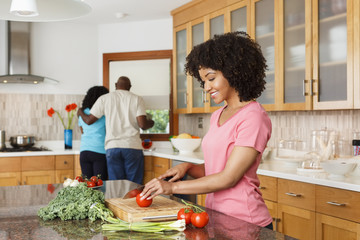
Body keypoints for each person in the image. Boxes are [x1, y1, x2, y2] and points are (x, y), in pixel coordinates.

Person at [140, 31, 273, 229]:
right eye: (203, 81)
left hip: (246, 222)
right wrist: (187, 167)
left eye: (211, 78)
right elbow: (215, 169)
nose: (206, 87)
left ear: (233, 71)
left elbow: (229, 177)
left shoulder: (253, 117)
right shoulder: (217, 115)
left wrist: (172, 187)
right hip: (216, 217)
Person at [77, 76, 154, 184]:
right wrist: (151, 122)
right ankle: (132, 201)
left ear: (115, 85)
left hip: (112, 147)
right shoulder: (137, 99)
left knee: (115, 185)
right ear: (130, 87)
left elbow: (89, 120)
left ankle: (117, 201)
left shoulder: (104, 98)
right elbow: (143, 124)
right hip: (132, 146)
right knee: (134, 185)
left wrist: (80, 111)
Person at [78, 86, 109, 180]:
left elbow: (82, 130)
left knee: (87, 185)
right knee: (100, 185)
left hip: (84, 152)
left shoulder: (82, 113)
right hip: (99, 152)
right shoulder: (103, 114)